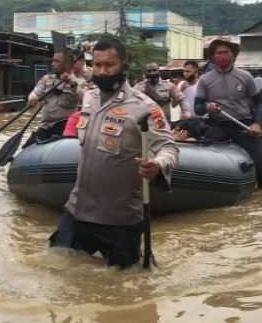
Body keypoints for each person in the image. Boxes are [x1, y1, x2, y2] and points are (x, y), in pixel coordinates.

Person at [49, 37, 179, 269]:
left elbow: (168, 146)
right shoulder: (89, 97)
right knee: (57, 272)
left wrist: (158, 164)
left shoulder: (144, 106)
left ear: (124, 67)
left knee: (127, 287)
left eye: (109, 65)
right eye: (97, 65)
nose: (102, 71)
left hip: (121, 220)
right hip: (77, 210)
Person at [194, 38, 262, 188]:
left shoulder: (246, 77)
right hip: (217, 126)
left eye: (226, 52)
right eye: (219, 53)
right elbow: (197, 108)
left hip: (244, 126)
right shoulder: (205, 80)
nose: (223, 55)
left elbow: (259, 103)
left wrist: (257, 124)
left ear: (232, 55)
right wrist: (207, 107)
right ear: (212, 57)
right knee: (204, 159)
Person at [28, 50, 84, 141]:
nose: (53, 64)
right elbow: (35, 92)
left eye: (57, 61)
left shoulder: (78, 82)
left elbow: (84, 97)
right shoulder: (46, 79)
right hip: (45, 126)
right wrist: (32, 98)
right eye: (53, 61)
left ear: (67, 64)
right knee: (28, 148)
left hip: (64, 127)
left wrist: (72, 84)